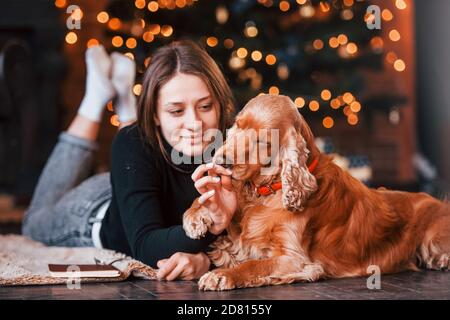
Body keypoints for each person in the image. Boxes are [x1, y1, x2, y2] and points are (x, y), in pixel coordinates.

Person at [21, 40, 237, 281]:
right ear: (154, 113)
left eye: (205, 106)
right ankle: (95, 99)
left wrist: (206, 259)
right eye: (176, 111)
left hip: (133, 179)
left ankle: (125, 102)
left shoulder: (236, 142)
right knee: (33, 224)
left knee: (134, 145)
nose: (195, 123)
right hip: (94, 210)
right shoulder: (132, 142)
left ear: (219, 104)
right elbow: (145, 247)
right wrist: (213, 227)